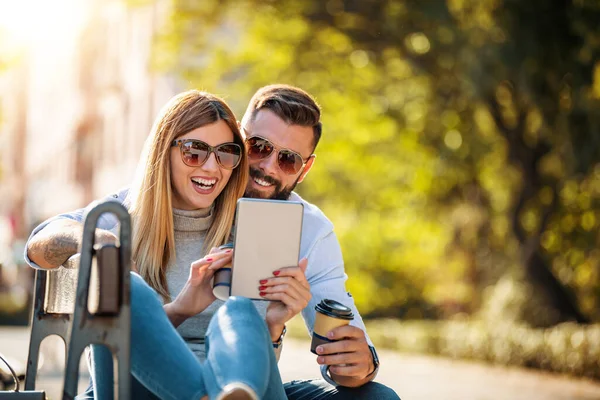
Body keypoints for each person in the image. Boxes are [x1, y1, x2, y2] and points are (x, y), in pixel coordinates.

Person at [25, 90, 293, 400]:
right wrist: (104, 242)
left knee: (241, 312)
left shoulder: (251, 228)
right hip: (138, 390)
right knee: (126, 288)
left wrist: (273, 325)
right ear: (164, 152)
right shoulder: (120, 217)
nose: (211, 167)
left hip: (238, 389)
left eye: (225, 153)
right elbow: (37, 245)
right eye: (195, 152)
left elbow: (262, 373)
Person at [239, 84, 398, 399]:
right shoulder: (196, 193)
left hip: (258, 386)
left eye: (288, 159)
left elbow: (341, 337)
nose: (268, 167)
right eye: (259, 146)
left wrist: (359, 363)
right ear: (239, 138)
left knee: (379, 397)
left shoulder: (310, 230)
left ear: (305, 168)